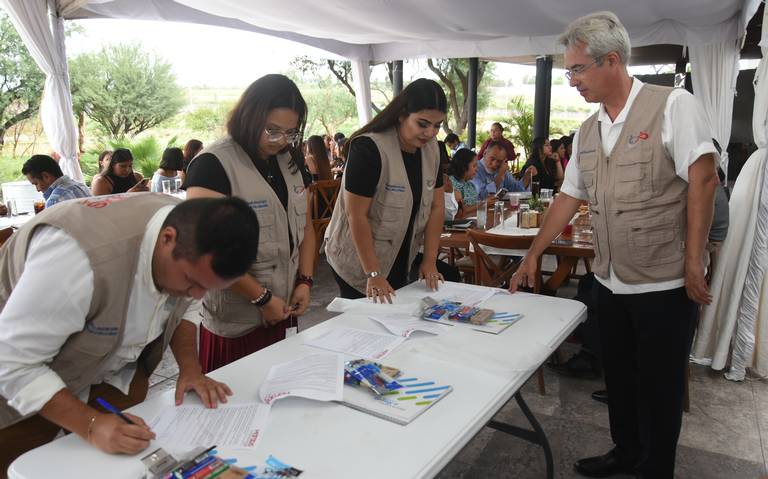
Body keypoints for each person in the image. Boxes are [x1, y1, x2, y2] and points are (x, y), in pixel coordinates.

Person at [509, 12, 719, 479]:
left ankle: (655, 468)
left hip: (662, 280)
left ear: (612, 61)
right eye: (569, 71)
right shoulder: (587, 130)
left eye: (577, 70)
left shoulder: (672, 106)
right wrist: (533, 252)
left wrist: (692, 263)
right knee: (620, 378)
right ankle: (625, 452)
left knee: (659, 387)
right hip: (609, 278)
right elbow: (568, 197)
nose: (572, 81)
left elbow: (703, 179)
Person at [0, 194, 259, 472]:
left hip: (113, 376)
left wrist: (190, 368)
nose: (197, 295)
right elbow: (12, 363)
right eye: (191, 281)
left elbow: (185, 308)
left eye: (208, 288)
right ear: (167, 239)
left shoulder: (190, 242)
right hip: (23, 389)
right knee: (23, 468)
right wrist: (90, 425)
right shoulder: (76, 259)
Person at [185, 74, 315, 374]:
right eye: (272, 130)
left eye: (290, 132)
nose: (281, 141)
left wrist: (305, 282)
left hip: (284, 309)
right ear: (249, 116)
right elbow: (207, 249)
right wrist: (261, 297)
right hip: (236, 322)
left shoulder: (289, 161)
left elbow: (307, 228)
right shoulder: (213, 164)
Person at [325, 78, 448, 303]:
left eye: (438, 125)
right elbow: (356, 215)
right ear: (402, 114)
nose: (430, 132)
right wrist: (373, 273)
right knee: (368, 323)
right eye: (422, 123)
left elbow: (437, 207)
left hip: (401, 255)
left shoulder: (433, 151)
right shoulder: (368, 149)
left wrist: (429, 260)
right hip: (357, 261)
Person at [22, 154, 91, 208]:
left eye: (36, 183)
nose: (38, 189)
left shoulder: (55, 201)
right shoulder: (82, 187)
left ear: (46, 176)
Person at [448, 148, 479, 219]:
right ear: (463, 166)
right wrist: (484, 204)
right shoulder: (450, 183)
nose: (476, 169)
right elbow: (461, 211)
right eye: (474, 166)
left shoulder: (470, 185)